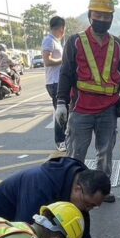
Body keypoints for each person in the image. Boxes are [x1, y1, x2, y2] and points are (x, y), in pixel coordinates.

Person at [55, 0, 120, 202]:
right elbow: (65, 73)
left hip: (108, 110)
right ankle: (72, 191)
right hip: (81, 109)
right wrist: (61, 103)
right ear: (90, 15)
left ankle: (101, 191)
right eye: (98, 15)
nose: (102, 20)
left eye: (106, 16)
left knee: (105, 154)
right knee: (76, 155)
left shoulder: (116, 44)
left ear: (111, 18)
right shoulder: (75, 42)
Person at [42, 16, 67, 151]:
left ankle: (64, 137)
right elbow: (47, 61)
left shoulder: (56, 41)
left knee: (64, 110)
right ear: (62, 28)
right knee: (60, 111)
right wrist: (63, 61)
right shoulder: (49, 41)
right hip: (54, 82)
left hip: (59, 81)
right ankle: (60, 140)